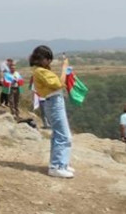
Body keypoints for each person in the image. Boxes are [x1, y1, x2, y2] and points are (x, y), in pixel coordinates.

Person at [29, 45, 74, 178]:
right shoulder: (40, 72)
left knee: (58, 134)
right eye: (48, 59)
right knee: (64, 135)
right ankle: (57, 166)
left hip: (54, 101)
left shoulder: (40, 70)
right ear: (42, 59)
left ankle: (61, 164)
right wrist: (64, 68)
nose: (49, 62)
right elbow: (59, 83)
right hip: (53, 102)